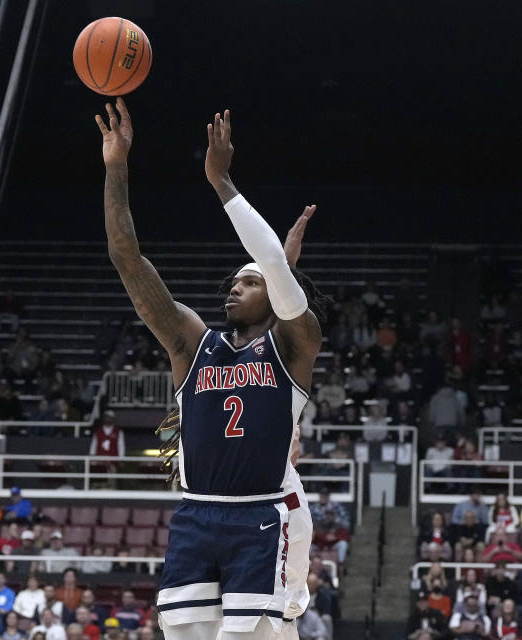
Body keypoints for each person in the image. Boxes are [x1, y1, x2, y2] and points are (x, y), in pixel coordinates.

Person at [97, 100, 325, 640]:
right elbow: (127, 259)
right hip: (196, 516)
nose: (233, 286)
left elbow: (273, 265)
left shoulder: (296, 345)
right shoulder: (192, 343)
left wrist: (221, 181)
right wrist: (116, 167)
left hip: (260, 518)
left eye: (247, 282)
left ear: (276, 294)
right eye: (233, 281)